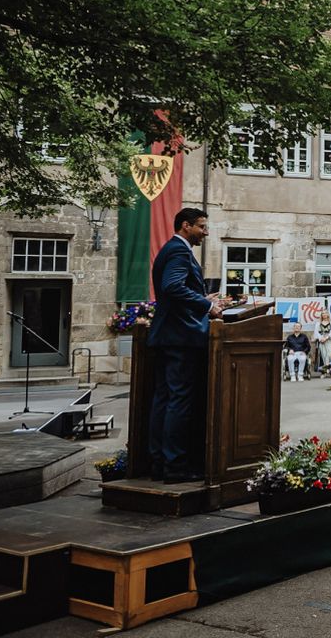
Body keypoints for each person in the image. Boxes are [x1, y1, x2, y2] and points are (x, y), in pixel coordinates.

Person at [147, 207, 224, 484]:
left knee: (165, 399)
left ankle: (159, 462)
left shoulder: (171, 249)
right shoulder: (179, 251)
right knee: (179, 401)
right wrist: (207, 305)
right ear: (185, 226)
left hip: (169, 335)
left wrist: (204, 296)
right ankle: (175, 466)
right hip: (181, 337)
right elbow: (172, 286)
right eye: (201, 227)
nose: (205, 232)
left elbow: (175, 289)